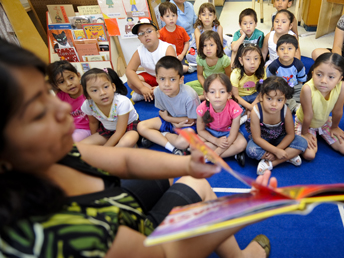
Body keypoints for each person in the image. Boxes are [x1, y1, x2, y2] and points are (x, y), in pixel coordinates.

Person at [0, 40, 271, 258]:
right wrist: (242, 211)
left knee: (165, 176)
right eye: (37, 112)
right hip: (141, 242)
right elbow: (165, 253)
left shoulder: (52, 155)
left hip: (121, 212)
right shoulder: (73, 236)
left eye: (47, 95)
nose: (61, 108)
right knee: (196, 186)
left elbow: (126, 160)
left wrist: (186, 165)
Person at [137, 56, 200, 156]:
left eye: (172, 79)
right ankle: (172, 148)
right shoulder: (158, 91)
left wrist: (169, 119)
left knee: (183, 142)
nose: (166, 84)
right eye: (162, 79)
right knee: (141, 126)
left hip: (186, 124)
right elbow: (162, 112)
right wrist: (170, 120)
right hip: (170, 120)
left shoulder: (189, 96)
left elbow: (192, 120)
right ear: (157, 79)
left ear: (181, 79)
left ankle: (161, 135)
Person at [295, 53, 344, 160]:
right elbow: (308, 115)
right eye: (319, 74)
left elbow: (338, 111)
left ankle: (322, 131)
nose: (323, 81)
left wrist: (334, 127)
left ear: (340, 78)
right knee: (309, 155)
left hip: (324, 121)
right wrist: (305, 133)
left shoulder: (342, 86)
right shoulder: (307, 88)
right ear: (312, 73)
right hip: (305, 123)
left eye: (331, 77)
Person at [246, 77, 308, 175]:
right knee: (251, 149)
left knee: (303, 142)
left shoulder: (285, 110)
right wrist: (276, 151)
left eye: (279, 100)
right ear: (261, 96)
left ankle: (271, 163)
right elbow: (257, 138)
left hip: (280, 138)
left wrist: (277, 151)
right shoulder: (256, 111)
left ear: (285, 100)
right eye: (269, 98)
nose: (274, 104)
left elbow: (290, 135)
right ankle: (288, 155)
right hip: (263, 140)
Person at [79, 68, 140, 147]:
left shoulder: (122, 102)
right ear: (87, 94)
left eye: (106, 87)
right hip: (107, 131)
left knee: (125, 143)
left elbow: (119, 132)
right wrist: (96, 142)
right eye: (94, 90)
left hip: (128, 128)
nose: (102, 93)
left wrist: (105, 149)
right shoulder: (88, 105)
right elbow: (93, 122)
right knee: (81, 146)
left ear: (113, 87)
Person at [196, 74, 247, 166]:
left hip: (228, 133)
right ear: (206, 95)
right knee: (193, 144)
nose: (217, 96)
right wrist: (216, 141)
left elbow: (233, 134)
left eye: (222, 92)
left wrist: (217, 152)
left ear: (229, 94)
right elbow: (200, 130)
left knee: (242, 143)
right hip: (210, 133)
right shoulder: (201, 108)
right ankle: (232, 153)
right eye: (212, 92)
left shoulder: (235, 108)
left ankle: (210, 156)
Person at [126, 18, 176, 102]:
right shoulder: (139, 51)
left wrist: (161, 87)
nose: (146, 35)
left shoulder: (167, 48)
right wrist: (142, 88)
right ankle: (152, 94)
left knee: (176, 83)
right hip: (152, 77)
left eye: (149, 31)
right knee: (130, 81)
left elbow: (173, 71)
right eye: (141, 33)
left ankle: (152, 95)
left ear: (157, 34)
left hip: (167, 78)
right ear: (139, 39)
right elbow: (129, 70)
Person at [46, 60, 90, 142]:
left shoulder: (88, 91)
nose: (69, 83)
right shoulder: (60, 96)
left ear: (78, 75)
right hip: (68, 128)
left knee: (69, 142)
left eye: (71, 78)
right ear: (56, 85)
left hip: (85, 129)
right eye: (62, 82)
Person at [266, 34, 306, 114]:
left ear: (296, 51)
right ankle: (295, 106)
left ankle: (293, 104)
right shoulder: (273, 66)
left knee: (305, 91)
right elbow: (270, 81)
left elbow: (301, 80)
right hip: (280, 90)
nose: (286, 52)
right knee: (277, 97)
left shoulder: (298, 64)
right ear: (277, 52)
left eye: (290, 48)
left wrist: (299, 90)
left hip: (294, 88)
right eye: (282, 49)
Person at [186, 31, 231, 97]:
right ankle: (210, 94)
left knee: (231, 91)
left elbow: (228, 76)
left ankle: (207, 95)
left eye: (211, 45)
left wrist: (222, 86)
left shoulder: (224, 59)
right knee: (187, 86)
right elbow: (200, 75)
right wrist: (206, 87)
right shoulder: (200, 58)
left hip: (221, 82)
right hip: (206, 82)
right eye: (205, 45)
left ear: (217, 46)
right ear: (201, 47)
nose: (208, 48)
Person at [186, 3, 228, 68]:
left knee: (227, 51)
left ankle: (204, 64)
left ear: (214, 17)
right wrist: (206, 55)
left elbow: (220, 45)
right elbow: (199, 47)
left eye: (210, 15)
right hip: (203, 50)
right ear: (199, 17)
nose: (207, 17)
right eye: (204, 15)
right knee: (189, 56)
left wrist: (213, 55)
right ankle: (210, 63)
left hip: (216, 49)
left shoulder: (219, 27)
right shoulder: (197, 30)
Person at [231, 44, 266, 117]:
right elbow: (236, 96)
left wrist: (253, 104)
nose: (252, 62)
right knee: (235, 112)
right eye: (248, 59)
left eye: (256, 58)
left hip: (255, 96)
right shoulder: (235, 74)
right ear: (241, 60)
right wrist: (250, 107)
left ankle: (249, 113)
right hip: (240, 98)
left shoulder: (262, 72)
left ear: (260, 60)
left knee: (267, 105)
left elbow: (262, 91)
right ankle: (247, 114)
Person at [158, 2, 190, 74]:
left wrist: (182, 54)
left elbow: (187, 42)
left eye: (173, 15)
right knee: (167, 69)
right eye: (167, 16)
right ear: (162, 18)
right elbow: (160, 48)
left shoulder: (181, 30)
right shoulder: (160, 33)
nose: (171, 18)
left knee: (185, 68)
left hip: (181, 57)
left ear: (177, 16)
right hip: (167, 58)